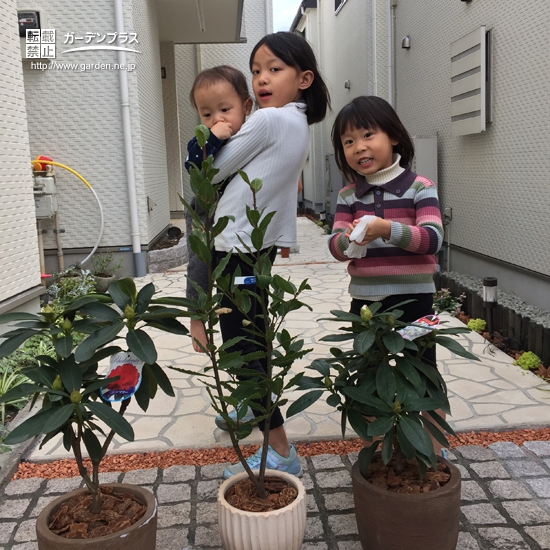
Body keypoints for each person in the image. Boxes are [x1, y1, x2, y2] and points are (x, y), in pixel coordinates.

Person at [188, 31, 330, 479]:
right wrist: (284, 236)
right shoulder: (296, 124)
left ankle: (282, 451)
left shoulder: (268, 121)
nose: (262, 79)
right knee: (255, 339)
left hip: (236, 251)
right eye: (255, 70)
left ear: (303, 77)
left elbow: (206, 173)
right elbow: (281, 190)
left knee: (244, 349)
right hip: (255, 249)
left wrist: (209, 136)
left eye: (274, 69)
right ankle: (254, 415)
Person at [328, 95, 446, 455]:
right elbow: (335, 246)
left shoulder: (419, 187)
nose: (359, 147)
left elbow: (433, 240)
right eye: (348, 142)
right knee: (368, 371)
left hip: (416, 300)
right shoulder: (349, 195)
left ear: (393, 136)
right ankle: (377, 447)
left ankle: (431, 448)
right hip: (365, 302)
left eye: (367, 135)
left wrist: (385, 229)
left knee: (422, 367)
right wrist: (348, 241)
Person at [184, 65, 253, 355]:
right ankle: (197, 321)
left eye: (225, 109)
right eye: (207, 114)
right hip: (205, 215)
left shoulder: (252, 136)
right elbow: (193, 164)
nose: (217, 119)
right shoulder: (202, 141)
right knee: (201, 266)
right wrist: (212, 138)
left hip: (240, 227)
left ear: (246, 107)